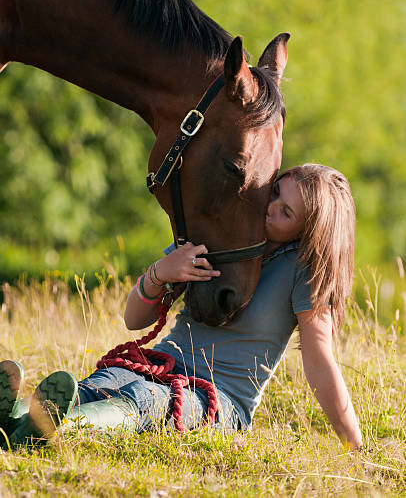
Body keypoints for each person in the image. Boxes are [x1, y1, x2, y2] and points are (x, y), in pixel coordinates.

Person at [0, 164, 362, 449]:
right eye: (275, 192)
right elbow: (133, 319)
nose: (268, 208)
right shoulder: (220, 235)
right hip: (158, 365)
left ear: (304, 231)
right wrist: (161, 273)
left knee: (145, 398)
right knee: (102, 384)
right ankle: (17, 417)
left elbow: (319, 359)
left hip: (220, 401)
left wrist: (354, 445)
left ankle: (51, 431)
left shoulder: (302, 269)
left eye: (285, 212)